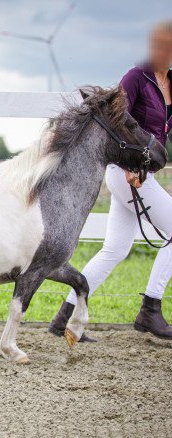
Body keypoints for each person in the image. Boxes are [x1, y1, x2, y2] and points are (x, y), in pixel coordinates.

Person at [49, 20, 172, 341]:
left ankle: (64, 319)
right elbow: (116, 117)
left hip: (146, 173)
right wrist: (131, 164)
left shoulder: (170, 80)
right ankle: (150, 309)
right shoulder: (135, 78)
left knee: (115, 249)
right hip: (128, 172)